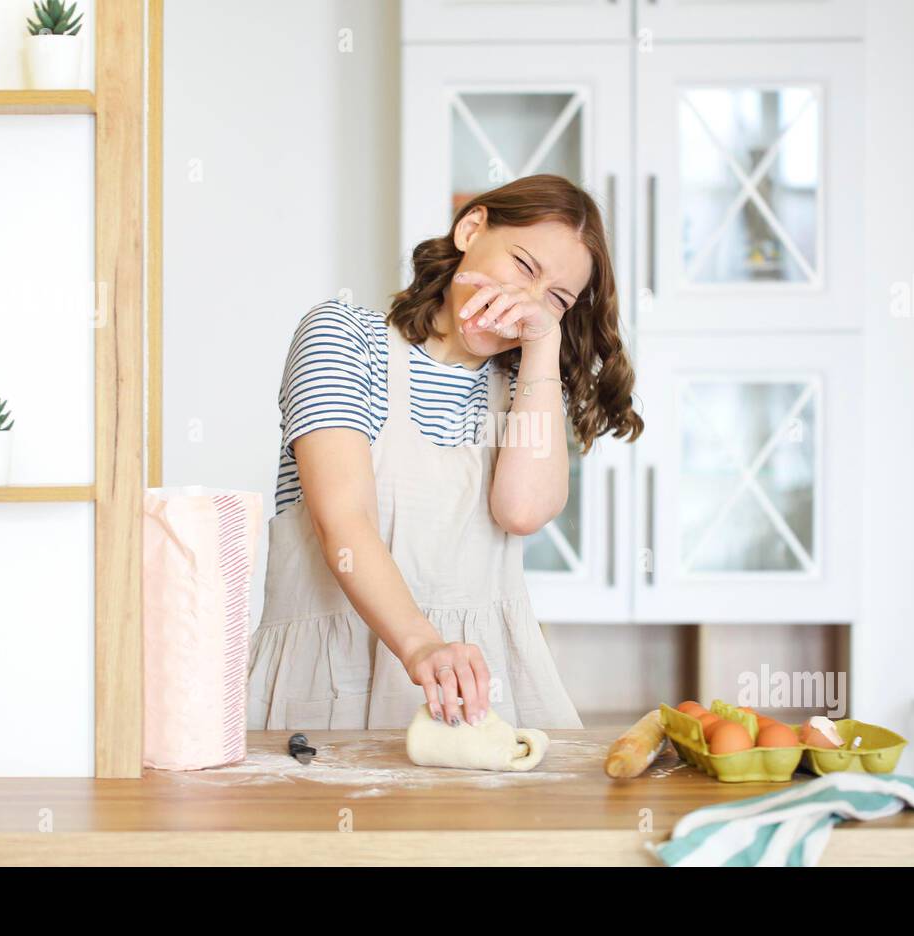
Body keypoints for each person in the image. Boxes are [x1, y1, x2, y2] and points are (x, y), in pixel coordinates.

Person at [246, 173, 643, 731]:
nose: (526, 301)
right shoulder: (343, 336)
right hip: (331, 676)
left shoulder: (524, 388)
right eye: (524, 267)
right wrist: (423, 647)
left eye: (556, 300)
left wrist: (543, 346)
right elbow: (344, 522)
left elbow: (522, 511)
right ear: (471, 228)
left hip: (480, 692)